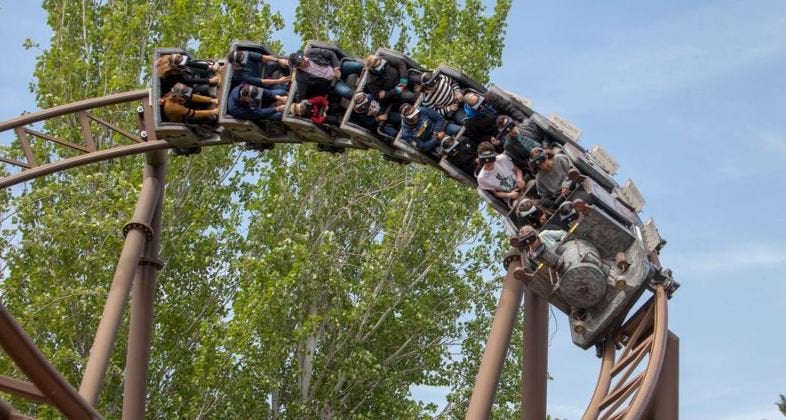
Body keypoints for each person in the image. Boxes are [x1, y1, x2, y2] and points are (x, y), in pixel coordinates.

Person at [289, 49, 362, 101]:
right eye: (299, 63)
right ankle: (363, 98)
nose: (303, 62)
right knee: (347, 93)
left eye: (301, 59)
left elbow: (330, 53)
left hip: (338, 67)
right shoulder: (300, 77)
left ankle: (366, 76)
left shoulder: (311, 52)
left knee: (358, 66)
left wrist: (336, 68)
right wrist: (293, 100)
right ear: (296, 67)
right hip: (332, 82)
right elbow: (301, 93)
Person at [462, 89, 527, 148]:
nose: (482, 105)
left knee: (524, 131)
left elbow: (508, 107)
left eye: (480, 101)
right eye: (478, 105)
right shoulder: (469, 122)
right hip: (498, 135)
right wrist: (489, 138)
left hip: (509, 122)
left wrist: (523, 119)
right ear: (470, 106)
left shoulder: (490, 95)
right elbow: (476, 136)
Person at [476, 141, 526, 206]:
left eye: (490, 158)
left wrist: (520, 178)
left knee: (532, 183)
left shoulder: (502, 158)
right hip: (511, 196)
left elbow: (518, 170)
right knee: (520, 204)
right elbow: (495, 193)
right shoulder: (482, 178)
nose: (488, 162)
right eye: (485, 159)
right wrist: (509, 195)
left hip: (521, 185)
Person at [226, 49, 291, 91]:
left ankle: (293, 70)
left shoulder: (243, 54)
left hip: (264, 67)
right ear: (235, 64)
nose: (244, 59)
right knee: (281, 90)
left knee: (277, 63)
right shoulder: (238, 75)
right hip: (262, 81)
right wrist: (278, 81)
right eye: (241, 60)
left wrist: (279, 60)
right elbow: (260, 81)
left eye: (243, 57)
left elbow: (261, 57)